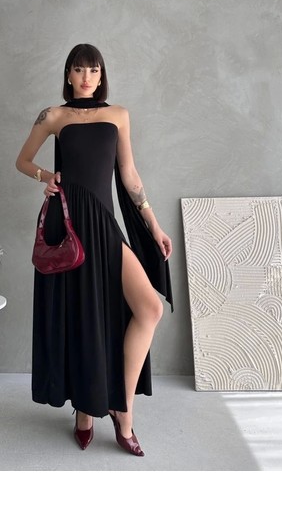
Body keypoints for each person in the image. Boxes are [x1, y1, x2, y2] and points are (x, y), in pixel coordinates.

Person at [16, 43, 173, 457]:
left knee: (149, 309)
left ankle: (122, 408)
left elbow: (129, 174)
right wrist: (46, 177)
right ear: (68, 75)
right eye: (79, 69)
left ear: (102, 76)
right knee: (83, 317)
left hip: (104, 225)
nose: (87, 77)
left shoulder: (118, 115)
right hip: (69, 226)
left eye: (94, 70)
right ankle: (85, 412)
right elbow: (22, 160)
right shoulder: (53, 116)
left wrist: (154, 225)